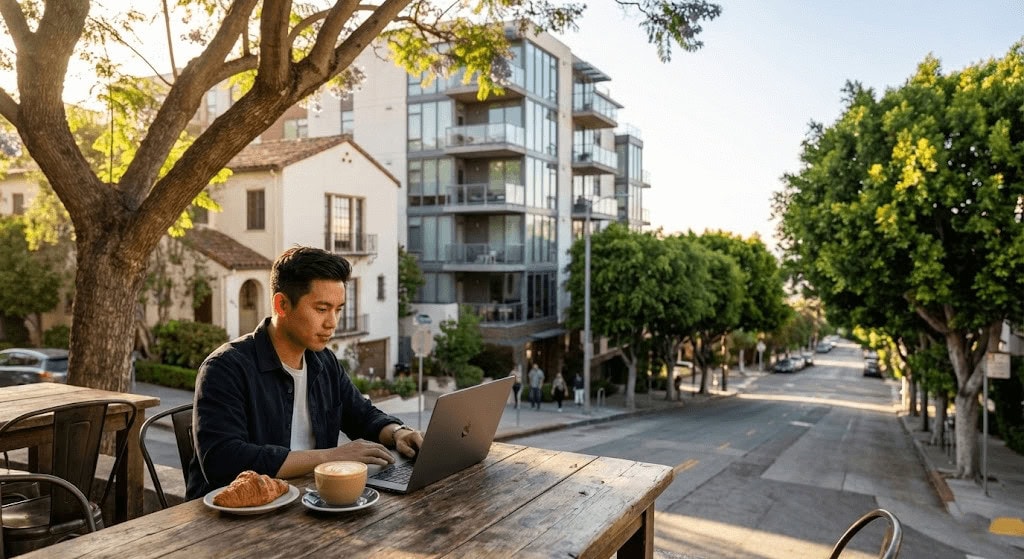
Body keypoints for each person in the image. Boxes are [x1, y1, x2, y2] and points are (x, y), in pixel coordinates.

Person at [186, 246, 424, 499]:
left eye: (338, 309)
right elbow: (223, 462)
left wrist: (399, 433)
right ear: (282, 304)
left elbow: (361, 414)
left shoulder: (323, 361)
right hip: (232, 517)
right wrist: (330, 457)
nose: (332, 322)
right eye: (321, 309)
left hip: (308, 502)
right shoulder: (225, 367)